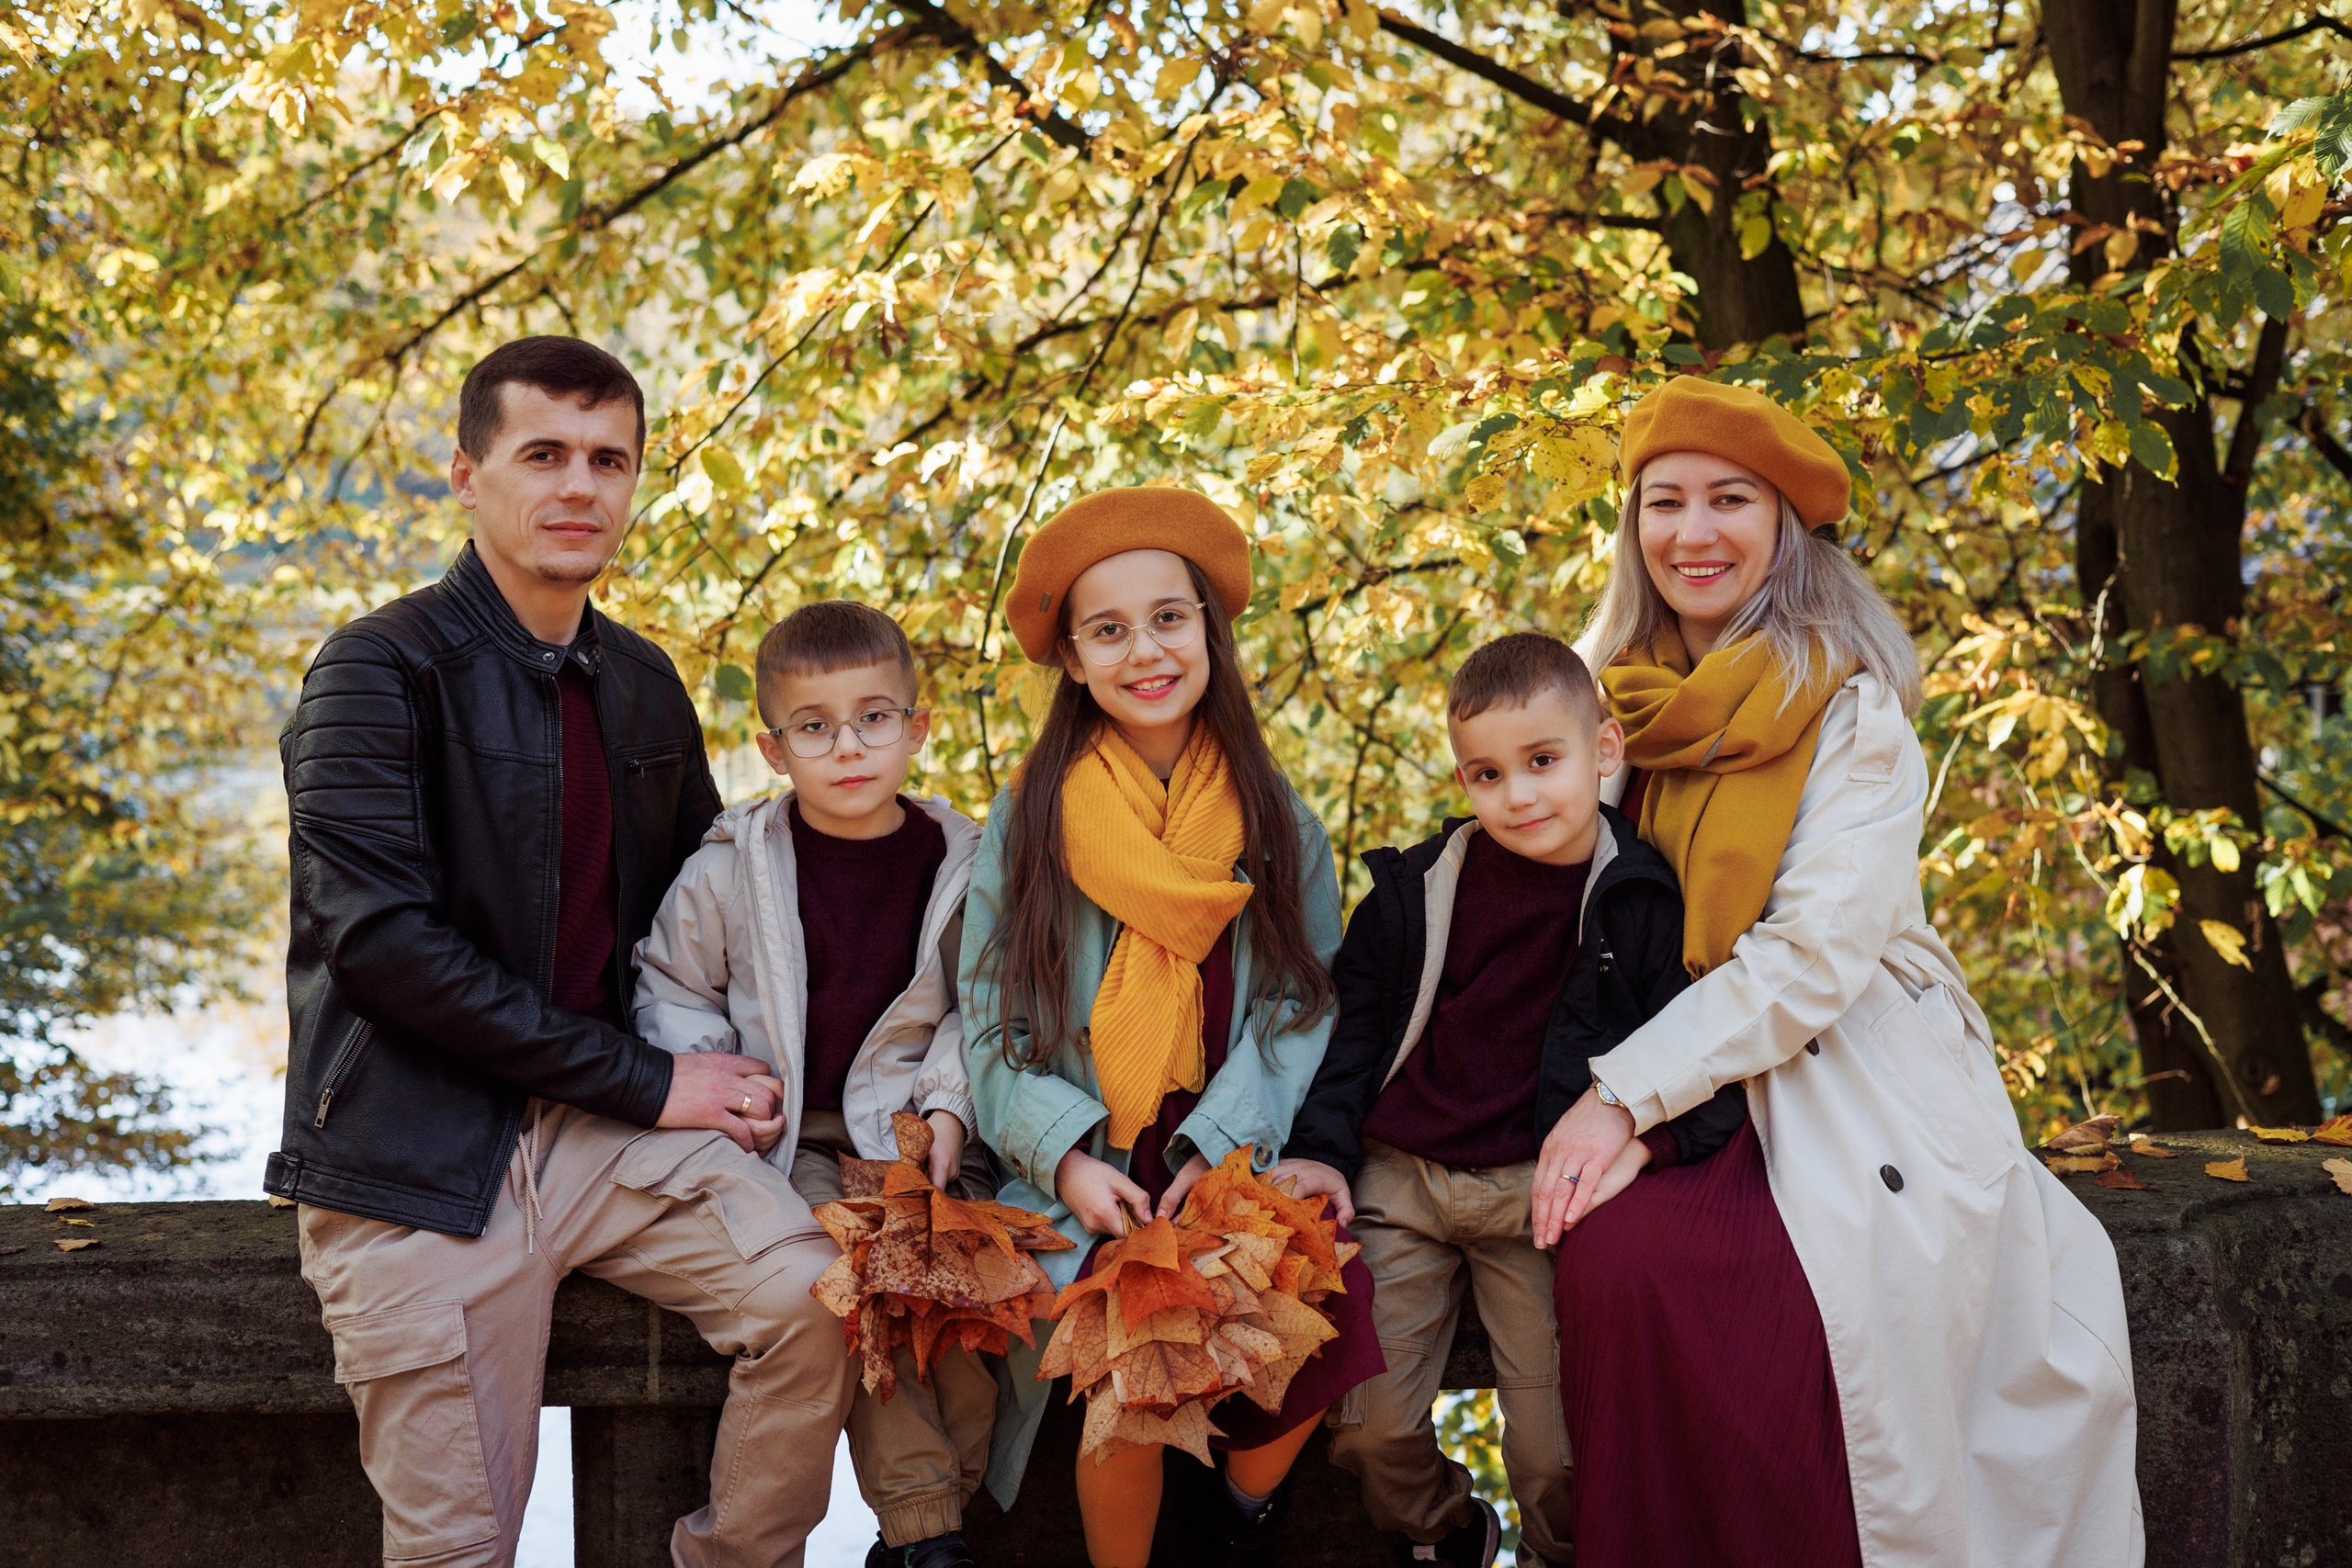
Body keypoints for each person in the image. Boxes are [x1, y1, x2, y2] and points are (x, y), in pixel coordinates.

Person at [270, 336, 854, 1568]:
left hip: (605, 1138)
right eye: (543, 455)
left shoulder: (641, 682)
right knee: (462, 1549)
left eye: (608, 460)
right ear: (466, 474)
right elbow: (383, 950)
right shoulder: (375, 671)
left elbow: (707, 919)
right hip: (419, 1155)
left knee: (822, 1299)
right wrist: (652, 1083)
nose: (579, 487)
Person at [1540, 376, 2143, 1566]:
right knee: (1609, 1259)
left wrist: (1618, 1096)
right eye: (1666, 501)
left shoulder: (1851, 708)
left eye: (1729, 500)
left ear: (1783, 527)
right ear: (1633, 526)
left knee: (1790, 1298)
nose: (1693, 532)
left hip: (1837, 1070)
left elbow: (1812, 957)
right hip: (1661, 1059)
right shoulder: (1605, 705)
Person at [957, 487, 1382, 1568]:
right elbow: (993, 1015)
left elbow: (1303, 996)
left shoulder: (1272, 813)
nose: (1142, 650)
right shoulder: (1033, 815)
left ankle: (1235, 1518)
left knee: (1334, 1294)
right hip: (1095, 1154)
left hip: (1228, 1143)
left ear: (1208, 631)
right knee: (1125, 1344)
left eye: (1167, 619)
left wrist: (1225, 1142)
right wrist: (1059, 1164)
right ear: (1073, 661)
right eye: (1107, 630)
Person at [1274, 631, 1747, 1568]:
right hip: (1401, 1182)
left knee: (1555, 1454)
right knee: (1365, 1431)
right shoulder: (1413, 895)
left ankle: (1554, 1553)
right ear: (1463, 783)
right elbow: (1353, 1039)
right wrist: (1323, 1150)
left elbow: (1705, 1066)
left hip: (1535, 1193)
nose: (1518, 795)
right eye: (1487, 775)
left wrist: (1641, 1148)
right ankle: (1448, 1530)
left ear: (1604, 750)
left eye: (1542, 761)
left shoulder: (1644, 902)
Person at [632, 600, 996, 1568]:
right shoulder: (732, 868)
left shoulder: (962, 863)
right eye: (815, 726)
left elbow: (982, 1007)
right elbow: (671, 984)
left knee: (959, 1317)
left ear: (918, 728)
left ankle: (927, 1522)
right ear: (773, 748)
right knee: (854, 1295)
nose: (849, 746)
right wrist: (723, 1081)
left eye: (875, 717)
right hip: (783, 1139)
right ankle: (928, 1533)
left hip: (906, 1136)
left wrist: (951, 1104)